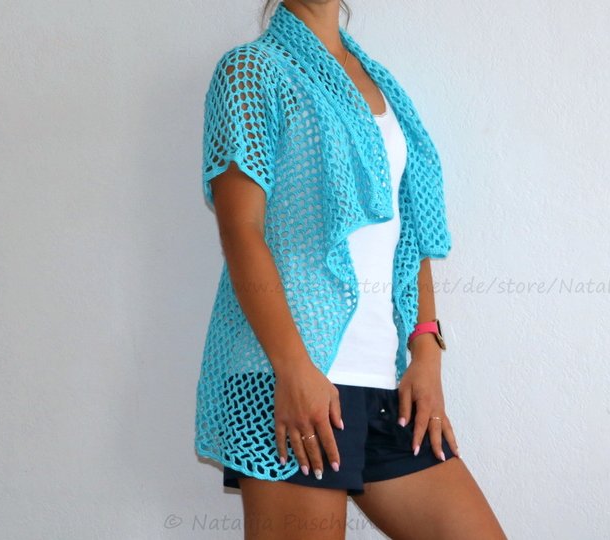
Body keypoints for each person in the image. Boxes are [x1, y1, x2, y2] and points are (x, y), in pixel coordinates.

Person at [196, 1, 508, 538]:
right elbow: (241, 232)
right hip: (287, 380)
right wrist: (293, 369)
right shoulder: (250, 70)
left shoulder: (381, 83)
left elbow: (410, 235)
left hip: (383, 384)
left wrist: (426, 353)